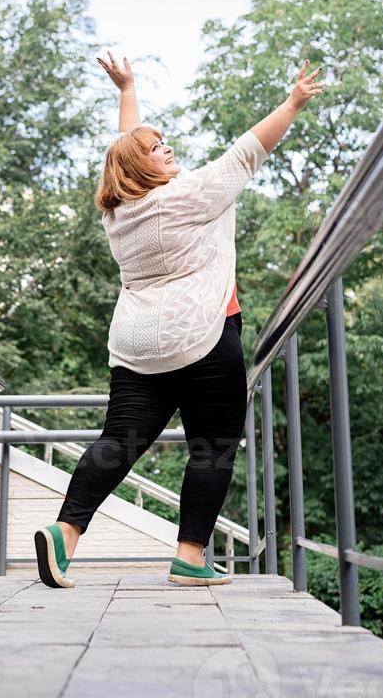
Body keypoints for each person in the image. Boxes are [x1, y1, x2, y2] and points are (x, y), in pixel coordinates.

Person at [34, 52, 325, 588]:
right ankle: (190, 557)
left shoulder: (118, 215)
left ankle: (66, 534)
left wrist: (127, 89)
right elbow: (248, 151)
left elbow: (126, 148)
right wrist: (292, 102)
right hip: (205, 337)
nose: (167, 149)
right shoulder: (188, 196)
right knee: (211, 446)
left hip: (138, 345)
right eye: (158, 149)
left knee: (119, 439)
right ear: (142, 168)